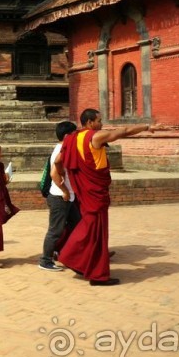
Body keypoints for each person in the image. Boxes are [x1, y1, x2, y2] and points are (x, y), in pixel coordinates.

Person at [56, 109, 151, 286]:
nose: (101, 124)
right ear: (90, 122)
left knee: (90, 227)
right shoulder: (94, 137)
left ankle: (82, 263)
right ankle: (93, 272)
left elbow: (58, 161)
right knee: (94, 230)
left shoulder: (71, 139)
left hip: (86, 192)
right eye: (99, 120)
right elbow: (123, 132)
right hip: (94, 192)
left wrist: (62, 176)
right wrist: (146, 126)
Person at [39, 121, 81, 272]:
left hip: (67, 197)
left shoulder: (64, 149)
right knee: (55, 230)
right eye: (74, 134)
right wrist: (65, 190)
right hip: (59, 197)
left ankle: (65, 252)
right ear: (67, 136)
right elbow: (53, 174)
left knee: (77, 224)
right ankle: (45, 260)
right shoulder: (60, 151)